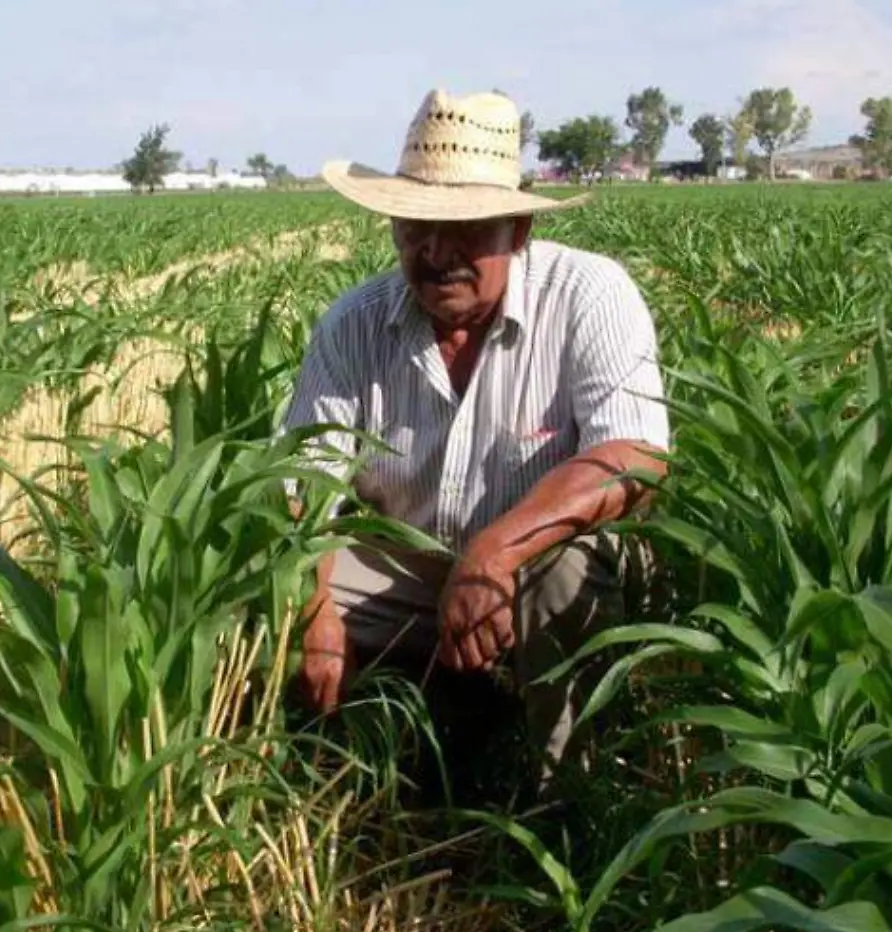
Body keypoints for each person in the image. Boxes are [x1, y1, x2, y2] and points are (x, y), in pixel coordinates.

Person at [280, 88, 671, 787]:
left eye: (468, 228)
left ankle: (570, 796)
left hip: (538, 564)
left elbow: (633, 455)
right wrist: (311, 612)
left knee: (568, 572)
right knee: (269, 582)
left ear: (518, 229)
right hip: (411, 566)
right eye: (416, 227)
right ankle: (329, 765)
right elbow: (303, 488)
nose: (437, 253)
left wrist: (494, 551)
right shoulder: (354, 324)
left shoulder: (588, 294)